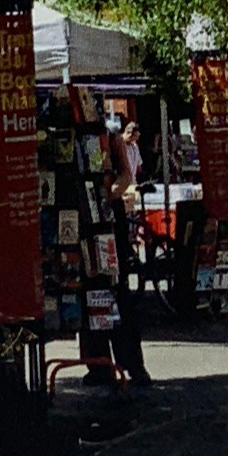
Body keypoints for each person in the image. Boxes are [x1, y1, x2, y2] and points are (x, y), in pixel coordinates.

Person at [83, 129, 152, 387]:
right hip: (86, 223)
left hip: (111, 220)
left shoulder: (111, 137)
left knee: (118, 293)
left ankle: (132, 364)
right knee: (89, 293)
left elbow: (126, 174)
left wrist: (111, 193)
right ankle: (98, 364)